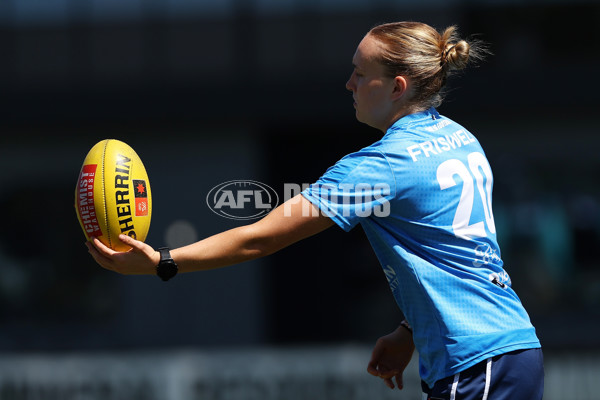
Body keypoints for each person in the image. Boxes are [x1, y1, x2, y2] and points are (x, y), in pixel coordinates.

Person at [87, 21, 544, 399]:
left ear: (397, 87)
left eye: (361, 74)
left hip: (476, 363)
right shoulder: (462, 139)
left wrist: (163, 262)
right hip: (510, 348)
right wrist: (409, 331)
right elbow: (458, 251)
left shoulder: (382, 165)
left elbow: (262, 236)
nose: (349, 83)